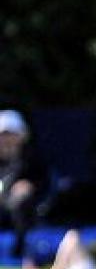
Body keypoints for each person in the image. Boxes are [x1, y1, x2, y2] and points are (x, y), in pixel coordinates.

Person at [0, 110, 46, 258]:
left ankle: (20, 248)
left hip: (22, 204)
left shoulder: (32, 157)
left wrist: (28, 186)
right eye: (3, 134)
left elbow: (45, 182)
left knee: (20, 201)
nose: (6, 138)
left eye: (10, 133)